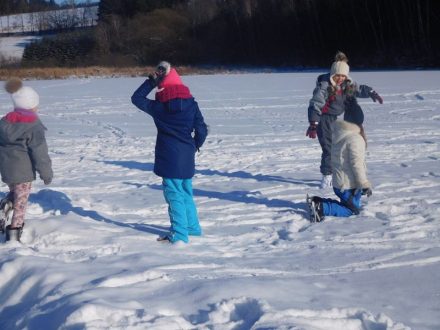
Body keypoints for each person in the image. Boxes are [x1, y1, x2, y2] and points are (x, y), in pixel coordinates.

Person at [131, 61, 208, 245]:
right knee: (185, 192)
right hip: (187, 155)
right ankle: (192, 227)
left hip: (169, 156)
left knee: (174, 194)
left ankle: (180, 234)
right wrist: (193, 145)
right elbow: (202, 130)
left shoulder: (160, 108)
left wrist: (151, 81)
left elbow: (136, 98)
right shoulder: (192, 104)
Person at [306, 51, 383, 189]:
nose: (340, 78)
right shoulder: (324, 86)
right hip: (324, 117)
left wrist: (371, 92)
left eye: (343, 75)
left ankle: (339, 171)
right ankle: (327, 175)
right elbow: (316, 103)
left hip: (336, 117)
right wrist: (313, 123)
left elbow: (359, 89)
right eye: (337, 76)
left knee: (340, 146)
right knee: (328, 146)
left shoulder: (347, 83)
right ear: (332, 74)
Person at [0, 78, 53, 242]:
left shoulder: (4, 121)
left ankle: (5, 206)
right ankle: (14, 232)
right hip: (24, 172)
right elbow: (40, 152)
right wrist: (46, 173)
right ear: (31, 106)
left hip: (7, 169)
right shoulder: (34, 125)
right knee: (21, 203)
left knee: (15, 192)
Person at [307, 104, 372, 222]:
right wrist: (364, 184)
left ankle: (317, 201)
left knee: (349, 204)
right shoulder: (355, 139)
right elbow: (356, 164)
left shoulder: (340, 134)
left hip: (341, 182)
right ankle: (321, 208)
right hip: (347, 185)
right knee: (352, 210)